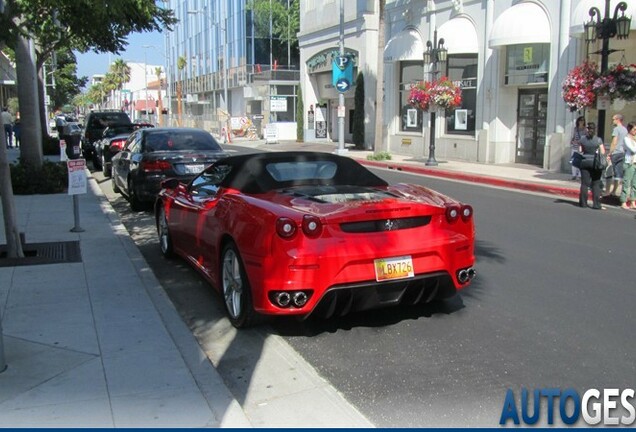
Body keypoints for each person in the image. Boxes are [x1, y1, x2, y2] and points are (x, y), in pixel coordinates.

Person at [578, 122, 606, 210]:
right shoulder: (598, 140)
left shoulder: (582, 139)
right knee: (596, 184)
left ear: (587, 129)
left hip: (585, 162)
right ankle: (596, 204)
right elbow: (603, 152)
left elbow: (580, 150)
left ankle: (583, 203)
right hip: (595, 163)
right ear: (595, 130)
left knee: (584, 184)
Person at [605, 113, 628, 198]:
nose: (612, 121)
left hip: (616, 152)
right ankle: (614, 191)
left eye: (613, 119)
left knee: (609, 171)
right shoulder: (625, 130)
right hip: (622, 153)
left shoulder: (616, 129)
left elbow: (614, 142)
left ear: (618, 119)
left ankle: (607, 191)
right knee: (618, 174)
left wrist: (610, 153)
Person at [619, 122, 636, 210]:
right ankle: (623, 201)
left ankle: (633, 201)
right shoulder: (627, 139)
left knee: (635, 184)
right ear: (629, 129)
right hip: (629, 162)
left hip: (635, 163)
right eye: (634, 129)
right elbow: (632, 149)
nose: (635, 131)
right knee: (626, 183)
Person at [570, 116, 586, 180]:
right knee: (574, 161)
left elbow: (586, 138)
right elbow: (573, 136)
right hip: (575, 147)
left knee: (580, 162)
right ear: (578, 121)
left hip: (581, 147)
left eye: (583, 121)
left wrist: (581, 142)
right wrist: (572, 141)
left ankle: (579, 175)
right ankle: (574, 175)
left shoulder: (585, 130)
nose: (581, 122)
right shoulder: (575, 129)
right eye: (580, 120)